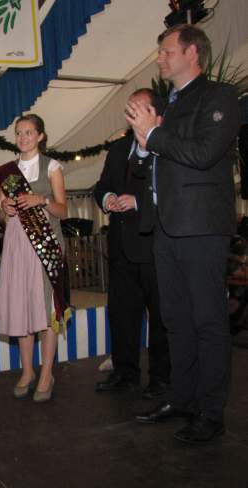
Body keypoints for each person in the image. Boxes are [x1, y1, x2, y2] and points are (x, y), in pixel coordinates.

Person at [127, 24, 240, 442]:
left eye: (167, 51)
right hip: (166, 226)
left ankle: (211, 412)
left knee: (208, 321)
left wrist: (154, 134)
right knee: (175, 320)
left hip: (201, 227)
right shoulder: (165, 105)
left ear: (192, 52)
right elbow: (142, 168)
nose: (159, 58)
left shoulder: (219, 97)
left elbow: (204, 153)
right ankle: (183, 398)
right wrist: (143, 145)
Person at [93, 89, 170, 398]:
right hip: (121, 247)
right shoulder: (119, 148)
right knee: (122, 314)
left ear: (156, 114)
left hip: (155, 247)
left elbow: (172, 192)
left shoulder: (166, 145)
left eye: (138, 107)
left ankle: (162, 378)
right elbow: (100, 186)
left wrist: (138, 202)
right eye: (129, 108)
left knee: (161, 317)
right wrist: (108, 198)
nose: (131, 113)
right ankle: (125, 373)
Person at [0, 114, 69, 402]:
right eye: (19, 133)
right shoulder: (8, 172)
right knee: (22, 308)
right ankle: (27, 371)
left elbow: (64, 211)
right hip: (16, 245)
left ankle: (46, 373)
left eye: (28, 132)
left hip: (45, 246)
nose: (23, 137)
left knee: (46, 310)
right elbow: (0, 217)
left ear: (40, 136)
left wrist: (43, 200)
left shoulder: (52, 167)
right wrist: (4, 208)